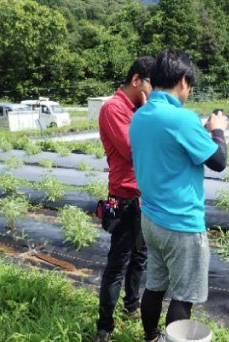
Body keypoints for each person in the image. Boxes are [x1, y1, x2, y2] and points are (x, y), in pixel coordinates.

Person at [129, 49, 228, 342]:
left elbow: (168, 143)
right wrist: (218, 131)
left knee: (155, 286)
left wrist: (198, 130)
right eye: (190, 87)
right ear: (183, 81)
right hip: (181, 225)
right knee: (183, 297)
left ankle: (151, 338)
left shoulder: (141, 115)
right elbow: (219, 161)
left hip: (151, 219)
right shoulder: (181, 119)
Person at [96, 56, 155, 342]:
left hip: (141, 199)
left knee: (140, 258)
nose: (153, 92)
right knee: (117, 262)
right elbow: (134, 150)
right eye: (150, 85)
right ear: (136, 80)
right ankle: (104, 326)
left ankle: (132, 307)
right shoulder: (113, 108)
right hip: (119, 199)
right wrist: (146, 113)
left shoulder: (135, 109)